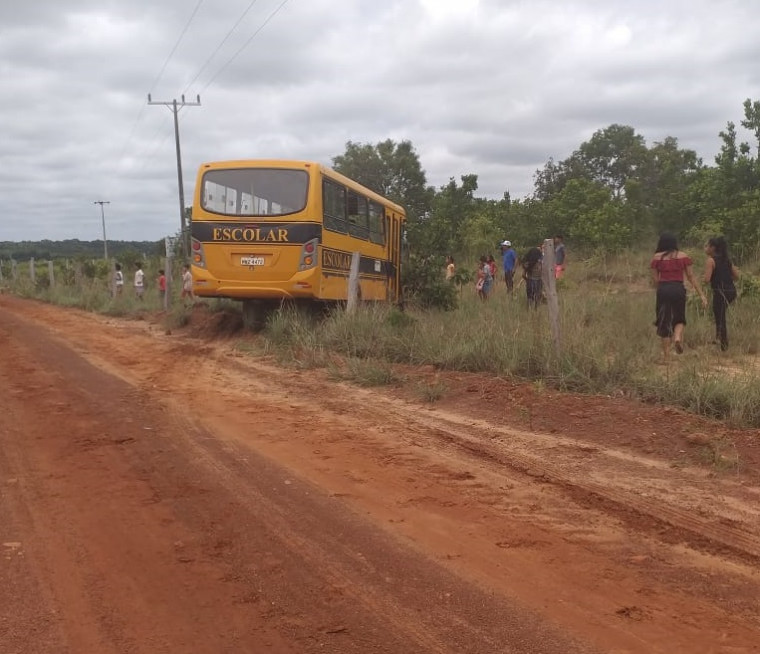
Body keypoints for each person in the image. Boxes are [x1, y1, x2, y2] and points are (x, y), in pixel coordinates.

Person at [650, 233, 706, 360]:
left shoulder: (656, 258)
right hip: (678, 288)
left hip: (663, 289)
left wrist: (661, 291)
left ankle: (666, 357)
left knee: (664, 321)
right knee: (679, 317)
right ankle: (677, 337)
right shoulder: (683, 256)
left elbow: (655, 280)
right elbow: (691, 276)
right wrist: (701, 294)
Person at [703, 236, 739, 351]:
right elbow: (736, 276)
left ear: (713, 248)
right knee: (720, 314)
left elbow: (707, 279)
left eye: (707, 246)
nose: (705, 248)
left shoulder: (711, 260)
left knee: (720, 315)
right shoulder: (726, 260)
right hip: (731, 291)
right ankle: (719, 338)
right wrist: (726, 278)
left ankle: (723, 343)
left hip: (720, 292)